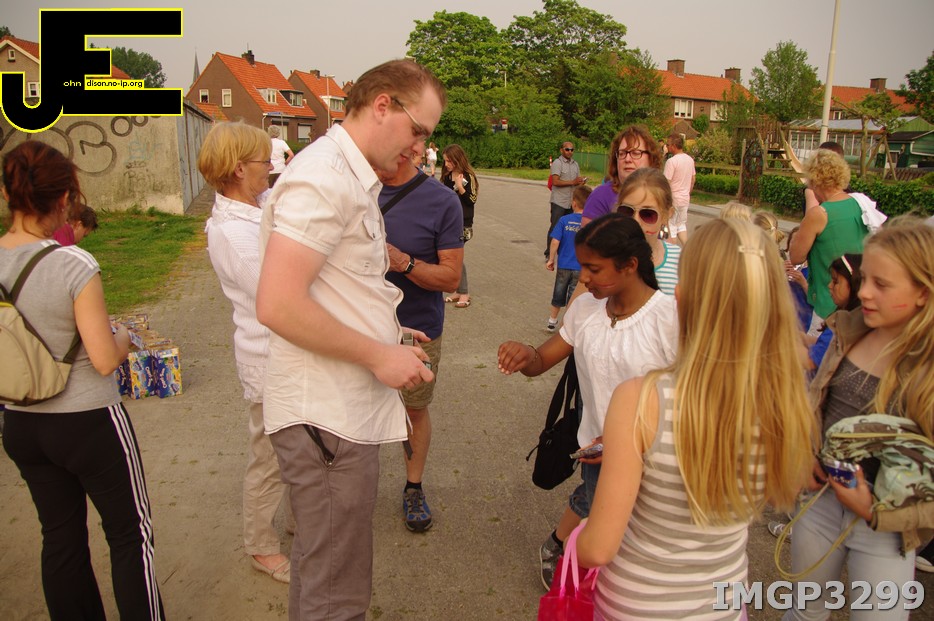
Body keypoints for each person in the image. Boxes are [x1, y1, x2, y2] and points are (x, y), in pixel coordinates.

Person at [255, 59, 443, 619]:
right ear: (383, 105)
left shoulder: (348, 176)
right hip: (325, 415)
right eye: (418, 131)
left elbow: (334, 286)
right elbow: (278, 303)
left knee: (328, 569)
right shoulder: (325, 178)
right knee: (335, 585)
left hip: (334, 414)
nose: (420, 149)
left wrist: (390, 331)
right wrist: (378, 353)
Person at [575, 218, 816, 619]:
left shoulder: (640, 399)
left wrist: (580, 538)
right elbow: (781, 491)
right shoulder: (782, 400)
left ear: (683, 296)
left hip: (637, 605)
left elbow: (598, 549)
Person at [1, 140, 165, 619]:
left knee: (60, 537)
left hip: (21, 422)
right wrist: (123, 335)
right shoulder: (72, 263)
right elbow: (104, 359)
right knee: (130, 535)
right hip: (87, 420)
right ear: (62, 198)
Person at [498, 214, 678, 589]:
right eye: (582, 266)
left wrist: (628, 442)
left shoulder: (670, 320)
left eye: (594, 269)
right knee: (614, 553)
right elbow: (542, 360)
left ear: (630, 265)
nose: (583, 277)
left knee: (643, 554)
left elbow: (691, 403)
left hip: (660, 464)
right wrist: (525, 354)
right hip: (597, 460)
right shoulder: (584, 311)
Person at [783, 218, 933, 620]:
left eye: (881, 285)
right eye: (865, 279)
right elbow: (818, 404)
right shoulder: (849, 332)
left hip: (885, 532)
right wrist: (806, 453)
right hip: (819, 504)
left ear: (923, 293)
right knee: (804, 610)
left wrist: (877, 512)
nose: (863, 292)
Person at [199, 121, 293, 583]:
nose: (270, 168)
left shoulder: (257, 205)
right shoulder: (232, 234)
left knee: (294, 447)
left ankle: (298, 521)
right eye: (263, 161)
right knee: (270, 456)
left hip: (285, 354)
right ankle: (260, 545)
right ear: (238, 169)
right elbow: (282, 295)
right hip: (267, 358)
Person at [379, 146, 464, 533]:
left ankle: (413, 486)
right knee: (349, 409)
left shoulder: (442, 201)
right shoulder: (350, 189)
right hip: (353, 329)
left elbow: (450, 278)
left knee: (413, 409)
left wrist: (403, 262)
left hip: (417, 327)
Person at [789, 149, 869, 322]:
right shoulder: (860, 204)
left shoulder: (819, 214)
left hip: (828, 301)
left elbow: (795, 256)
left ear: (814, 180)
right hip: (856, 299)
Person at [615, 168, 680, 296]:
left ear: (667, 215)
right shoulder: (604, 257)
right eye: (626, 211)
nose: (636, 221)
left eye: (648, 214)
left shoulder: (681, 262)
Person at [580, 125, 663, 226]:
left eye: (635, 153)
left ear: (651, 159)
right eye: (622, 153)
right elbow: (588, 235)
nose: (627, 159)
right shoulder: (601, 197)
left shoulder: (659, 194)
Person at [546, 185, 590, 331]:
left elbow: (555, 241)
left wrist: (551, 259)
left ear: (574, 203)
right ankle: (568, 325)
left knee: (558, 292)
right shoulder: (589, 224)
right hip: (580, 267)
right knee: (573, 297)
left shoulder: (564, 220)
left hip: (564, 265)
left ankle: (552, 320)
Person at [440, 144, 478, 309]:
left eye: (449, 161)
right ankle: (457, 291)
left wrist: (460, 187)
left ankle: (464, 293)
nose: (446, 164)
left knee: (456, 257)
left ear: (457, 160)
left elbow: (472, 200)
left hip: (464, 224)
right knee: (452, 256)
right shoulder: (447, 177)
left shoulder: (468, 176)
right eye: (445, 161)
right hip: (449, 222)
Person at [546, 141, 586, 257]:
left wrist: (581, 182)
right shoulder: (557, 163)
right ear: (561, 150)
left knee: (569, 228)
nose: (570, 152)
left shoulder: (575, 164)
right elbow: (555, 182)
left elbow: (577, 181)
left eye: (572, 150)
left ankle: (563, 252)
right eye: (567, 149)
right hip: (559, 201)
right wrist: (572, 182)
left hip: (570, 202)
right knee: (555, 227)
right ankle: (549, 253)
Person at [663, 133, 696, 245]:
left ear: (673, 146)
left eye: (668, 144)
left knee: (670, 225)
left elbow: (666, 182)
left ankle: (672, 249)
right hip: (684, 198)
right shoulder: (690, 160)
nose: (667, 146)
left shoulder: (671, 161)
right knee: (681, 225)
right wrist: (687, 192)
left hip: (673, 199)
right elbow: (693, 179)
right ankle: (688, 248)